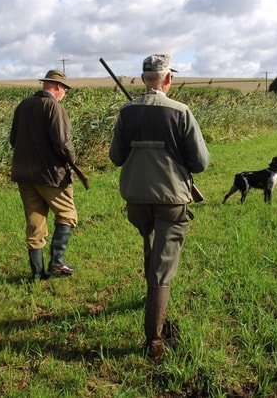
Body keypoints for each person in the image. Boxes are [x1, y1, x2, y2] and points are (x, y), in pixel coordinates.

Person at [109, 53, 210, 361]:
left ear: (143, 79)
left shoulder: (126, 113)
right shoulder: (181, 112)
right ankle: (154, 340)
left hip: (137, 200)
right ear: (168, 78)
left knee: (151, 249)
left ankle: (152, 301)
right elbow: (200, 162)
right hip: (171, 200)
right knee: (163, 269)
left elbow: (116, 158)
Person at [10, 69, 78, 280]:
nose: (64, 93)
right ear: (58, 86)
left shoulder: (23, 105)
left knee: (35, 223)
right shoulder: (54, 107)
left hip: (23, 173)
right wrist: (73, 160)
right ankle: (57, 263)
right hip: (50, 175)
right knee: (67, 215)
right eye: (65, 89)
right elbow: (62, 143)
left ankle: (38, 274)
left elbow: (13, 140)